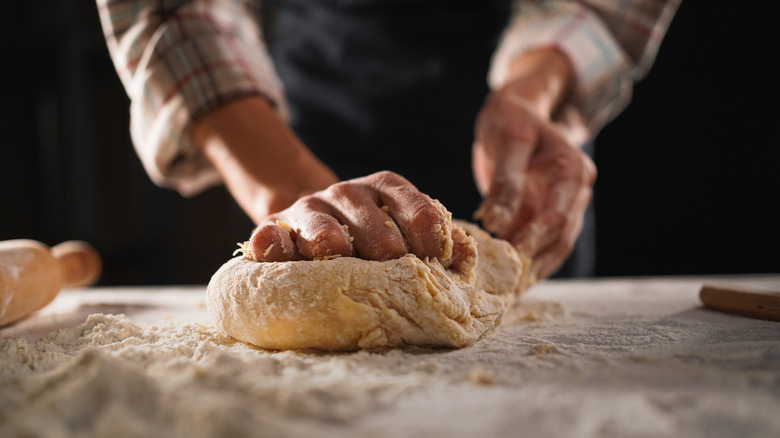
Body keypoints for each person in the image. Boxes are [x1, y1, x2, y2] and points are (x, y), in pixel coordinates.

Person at [96, 0, 680, 282]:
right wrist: (291, 188)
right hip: (305, 129)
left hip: (519, 157)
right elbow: (174, 11)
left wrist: (532, 90)